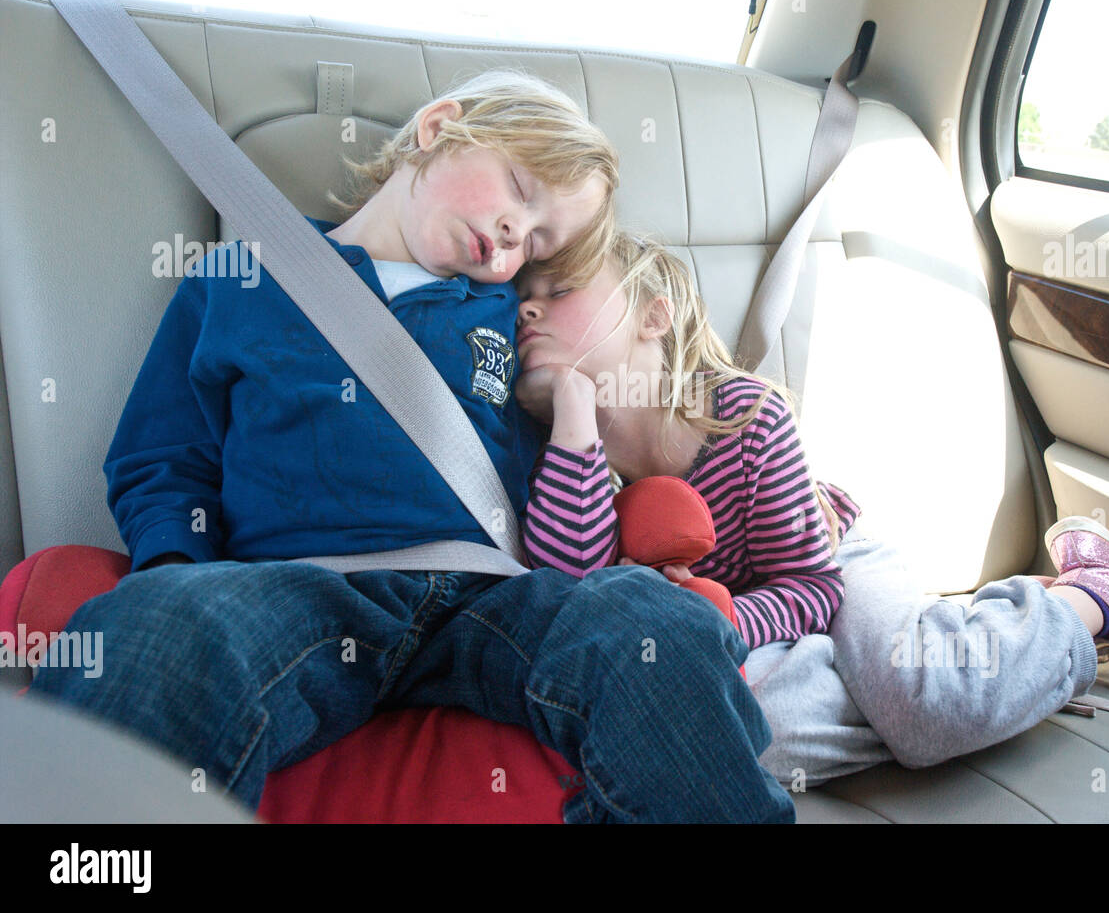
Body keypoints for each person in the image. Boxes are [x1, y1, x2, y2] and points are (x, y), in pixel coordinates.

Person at [28, 71, 795, 824]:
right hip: (300, 588)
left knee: (655, 624)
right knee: (154, 630)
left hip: (485, 597)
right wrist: (180, 573)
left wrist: (574, 402)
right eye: (520, 192)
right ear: (437, 129)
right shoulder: (243, 277)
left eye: (535, 242)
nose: (509, 242)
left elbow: (576, 483)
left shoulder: (507, 316)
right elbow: (162, 460)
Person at [513, 230, 1109, 787]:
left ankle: (1090, 599)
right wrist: (573, 414)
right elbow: (570, 595)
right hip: (746, 643)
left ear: (653, 317)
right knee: (733, 731)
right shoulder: (563, 463)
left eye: (559, 290)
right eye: (522, 299)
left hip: (830, 562)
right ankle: (981, 654)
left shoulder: (747, 419)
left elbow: (810, 586)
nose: (527, 310)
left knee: (926, 699)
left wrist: (718, 617)